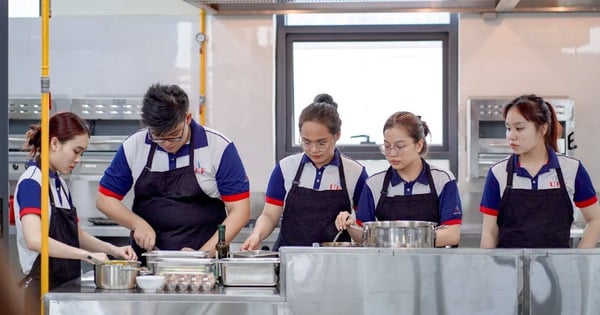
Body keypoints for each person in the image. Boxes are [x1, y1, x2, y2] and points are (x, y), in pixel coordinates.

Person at [96, 83, 250, 259]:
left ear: (188, 118)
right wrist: (136, 223)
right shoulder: (135, 145)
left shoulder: (218, 147)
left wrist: (203, 255)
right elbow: (104, 199)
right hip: (149, 261)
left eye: (174, 134)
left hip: (205, 263)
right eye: (159, 137)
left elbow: (240, 210)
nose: (167, 143)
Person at [14, 112, 137, 315]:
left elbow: (76, 235)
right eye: (76, 151)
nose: (78, 159)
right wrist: (88, 256)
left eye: (82, 154)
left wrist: (113, 252)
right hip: (42, 291)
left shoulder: (60, 184)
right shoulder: (32, 183)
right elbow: (35, 240)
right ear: (55, 143)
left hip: (65, 288)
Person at [241, 93, 368, 250]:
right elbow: (269, 215)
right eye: (306, 142)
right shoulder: (285, 168)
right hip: (290, 260)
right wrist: (256, 235)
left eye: (322, 143)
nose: (314, 150)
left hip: (335, 263)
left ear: (337, 135)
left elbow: (364, 233)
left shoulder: (355, 173)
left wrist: (351, 224)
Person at [480, 94, 600, 248]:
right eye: (508, 128)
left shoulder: (572, 169)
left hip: (558, 270)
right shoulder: (497, 173)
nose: (511, 136)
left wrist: (579, 260)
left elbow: (595, 219)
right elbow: (490, 232)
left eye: (519, 128)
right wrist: (487, 269)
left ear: (543, 128)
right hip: (508, 269)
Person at [335, 111, 462, 247]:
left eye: (400, 146)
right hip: (388, 265)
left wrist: (399, 240)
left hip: (432, 265)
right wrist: (350, 225)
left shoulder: (443, 180)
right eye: (387, 146)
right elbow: (364, 236)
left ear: (418, 145)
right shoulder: (374, 184)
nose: (392, 154)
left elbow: (451, 235)